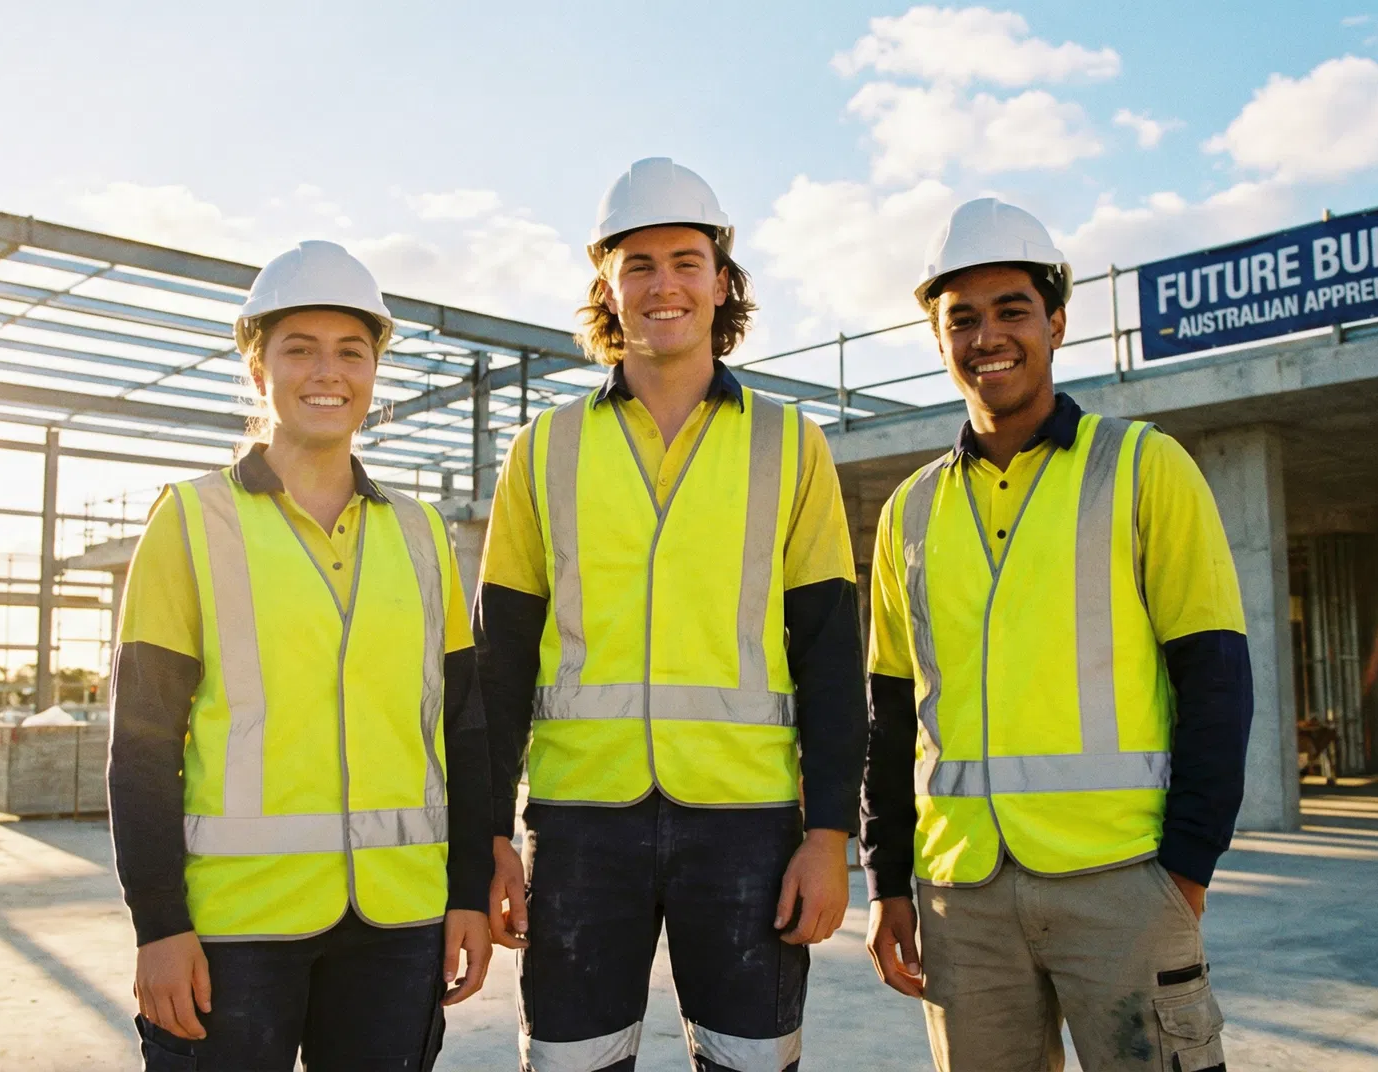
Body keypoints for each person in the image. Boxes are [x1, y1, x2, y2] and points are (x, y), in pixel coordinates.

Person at [476, 159, 867, 1072]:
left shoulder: (790, 442)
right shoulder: (545, 448)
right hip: (578, 823)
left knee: (750, 1063)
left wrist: (828, 837)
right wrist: (490, 834)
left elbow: (829, 658)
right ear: (606, 287)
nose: (664, 285)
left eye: (686, 261)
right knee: (572, 1063)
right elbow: (498, 661)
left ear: (722, 281)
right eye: (638, 263)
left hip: (747, 825)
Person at [859, 199, 1251, 1072]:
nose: (987, 337)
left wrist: (1184, 874)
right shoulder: (909, 513)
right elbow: (891, 715)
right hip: (962, 899)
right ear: (937, 338)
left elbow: (1217, 683)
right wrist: (888, 881)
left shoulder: (1146, 468)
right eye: (961, 319)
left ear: (1057, 323)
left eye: (1011, 311)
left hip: (1123, 881)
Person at [108, 240, 494, 1071]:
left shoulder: (424, 537)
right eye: (300, 350)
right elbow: (140, 749)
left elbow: (462, 730)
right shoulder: (189, 521)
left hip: (399, 924)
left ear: (373, 371)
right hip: (234, 929)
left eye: (351, 351)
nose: (329, 371)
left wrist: (465, 895)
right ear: (259, 370)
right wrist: (159, 926)